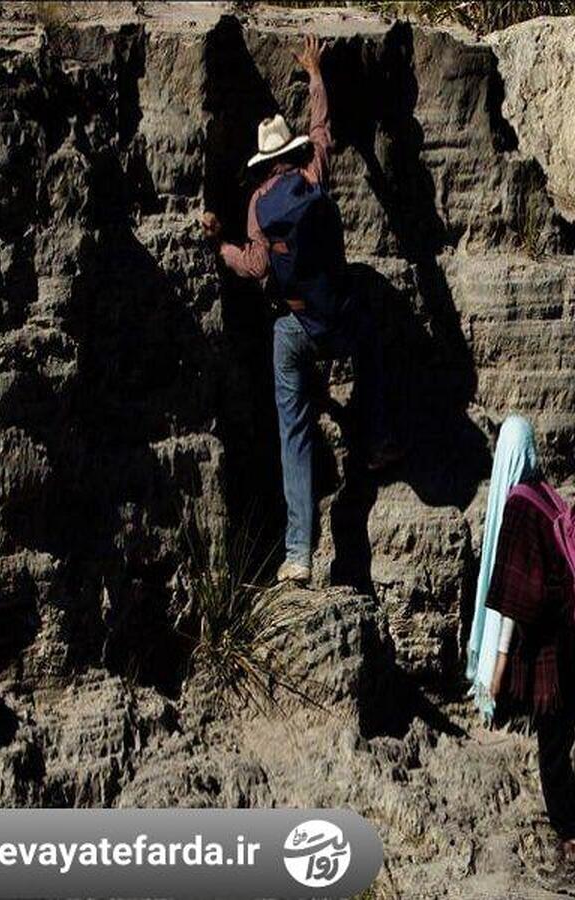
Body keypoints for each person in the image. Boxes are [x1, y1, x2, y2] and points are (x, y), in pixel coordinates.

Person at [200, 36, 396, 586]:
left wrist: (221, 249)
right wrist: (315, 71)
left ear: (262, 165)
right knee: (372, 342)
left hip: (293, 326)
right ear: (291, 155)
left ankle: (298, 555)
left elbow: (257, 267)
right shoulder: (313, 176)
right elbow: (322, 127)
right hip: (337, 320)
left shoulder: (259, 204)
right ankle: (378, 438)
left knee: (295, 432)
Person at [466, 414, 575, 896]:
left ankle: (572, 848)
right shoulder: (547, 493)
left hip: (553, 657)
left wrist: (497, 667)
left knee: (552, 758)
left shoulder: (520, 505)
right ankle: (574, 840)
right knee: (557, 744)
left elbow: (516, 595)